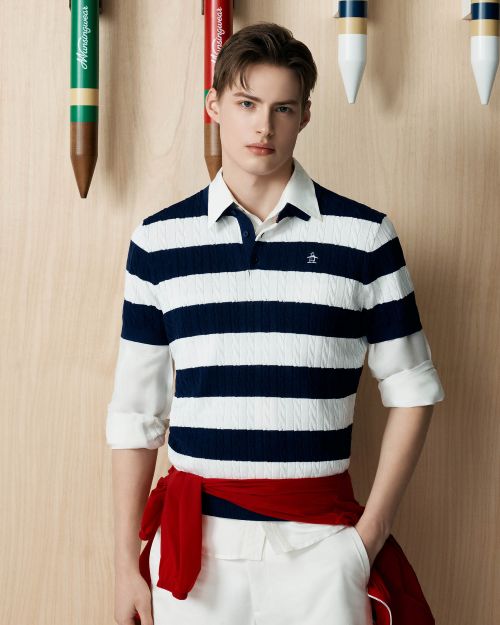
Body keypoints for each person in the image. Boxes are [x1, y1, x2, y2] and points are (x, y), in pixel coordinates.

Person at [106, 22, 445, 625]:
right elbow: (137, 416)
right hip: (193, 551)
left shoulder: (365, 237)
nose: (263, 126)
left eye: (282, 108)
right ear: (213, 106)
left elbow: (414, 389)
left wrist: (369, 536)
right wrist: (122, 565)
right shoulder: (158, 242)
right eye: (246, 104)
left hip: (322, 548)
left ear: (305, 115)